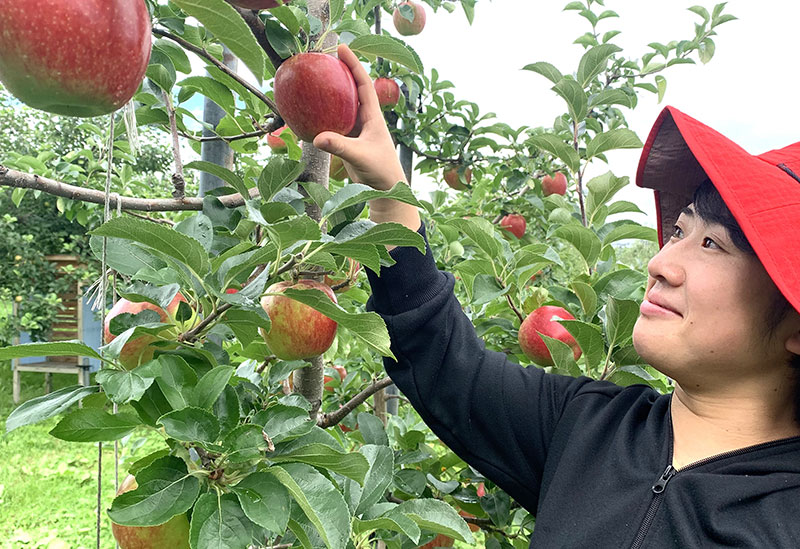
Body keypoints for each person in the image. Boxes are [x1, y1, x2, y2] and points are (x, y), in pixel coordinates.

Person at [315, 44, 800, 547]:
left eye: (711, 244)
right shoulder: (588, 428)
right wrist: (391, 197)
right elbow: (445, 364)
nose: (659, 264)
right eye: (678, 232)